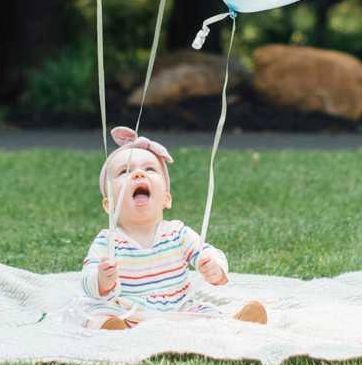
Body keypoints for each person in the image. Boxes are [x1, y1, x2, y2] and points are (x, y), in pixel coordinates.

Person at [80, 126, 268, 330]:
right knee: (97, 315)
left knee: (206, 312)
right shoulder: (107, 241)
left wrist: (215, 268)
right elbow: (86, 280)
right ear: (109, 205)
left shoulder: (178, 234)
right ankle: (113, 329)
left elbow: (208, 252)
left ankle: (234, 324)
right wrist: (101, 280)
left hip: (177, 309)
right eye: (125, 171)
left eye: (149, 169)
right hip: (126, 311)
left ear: (167, 199)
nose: (138, 175)